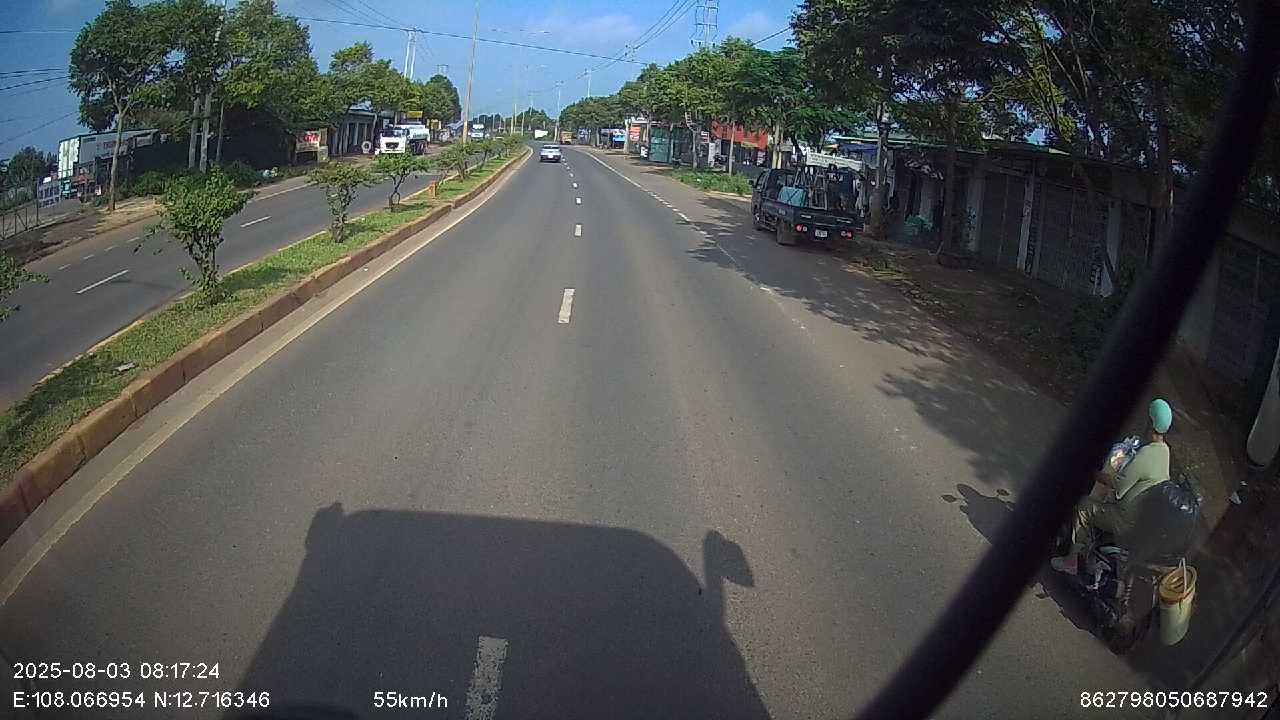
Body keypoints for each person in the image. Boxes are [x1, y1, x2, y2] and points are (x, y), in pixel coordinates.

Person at [1051, 398, 1174, 575]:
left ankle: (1072, 561)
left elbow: (1118, 486)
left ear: (1150, 422)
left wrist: (1092, 472)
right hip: (1140, 518)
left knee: (1084, 507)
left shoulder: (1147, 453)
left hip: (1123, 520)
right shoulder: (1164, 452)